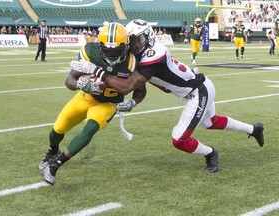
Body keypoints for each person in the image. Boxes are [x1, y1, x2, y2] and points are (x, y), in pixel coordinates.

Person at [77, 19, 265, 173]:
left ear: (148, 37)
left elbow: (128, 86)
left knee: (179, 139)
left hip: (197, 90)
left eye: (138, 40)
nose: (135, 45)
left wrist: (98, 72)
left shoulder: (154, 54)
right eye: (132, 41)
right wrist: (134, 101)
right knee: (211, 122)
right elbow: (139, 85)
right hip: (195, 88)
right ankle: (253, 129)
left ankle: (210, 153)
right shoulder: (137, 53)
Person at [40, 22, 146, 185]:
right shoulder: (91, 52)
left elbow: (140, 90)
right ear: (100, 45)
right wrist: (79, 84)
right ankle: (53, 150)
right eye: (107, 50)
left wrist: (133, 102)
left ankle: (55, 165)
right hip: (86, 97)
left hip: (109, 103)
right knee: (58, 128)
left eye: (116, 50)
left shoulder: (132, 61)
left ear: (125, 46)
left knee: (90, 127)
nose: (111, 55)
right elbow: (70, 80)